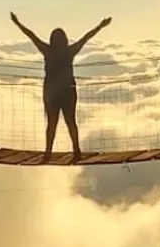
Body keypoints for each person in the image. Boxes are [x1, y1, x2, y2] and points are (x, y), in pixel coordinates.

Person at [10, 12, 112, 162]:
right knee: (70, 122)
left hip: (52, 93)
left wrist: (18, 23)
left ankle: (49, 153)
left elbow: (32, 36)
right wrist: (100, 26)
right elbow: (86, 37)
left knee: (53, 123)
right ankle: (75, 151)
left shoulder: (48, 50)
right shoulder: (69, 51)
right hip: (67, 92)